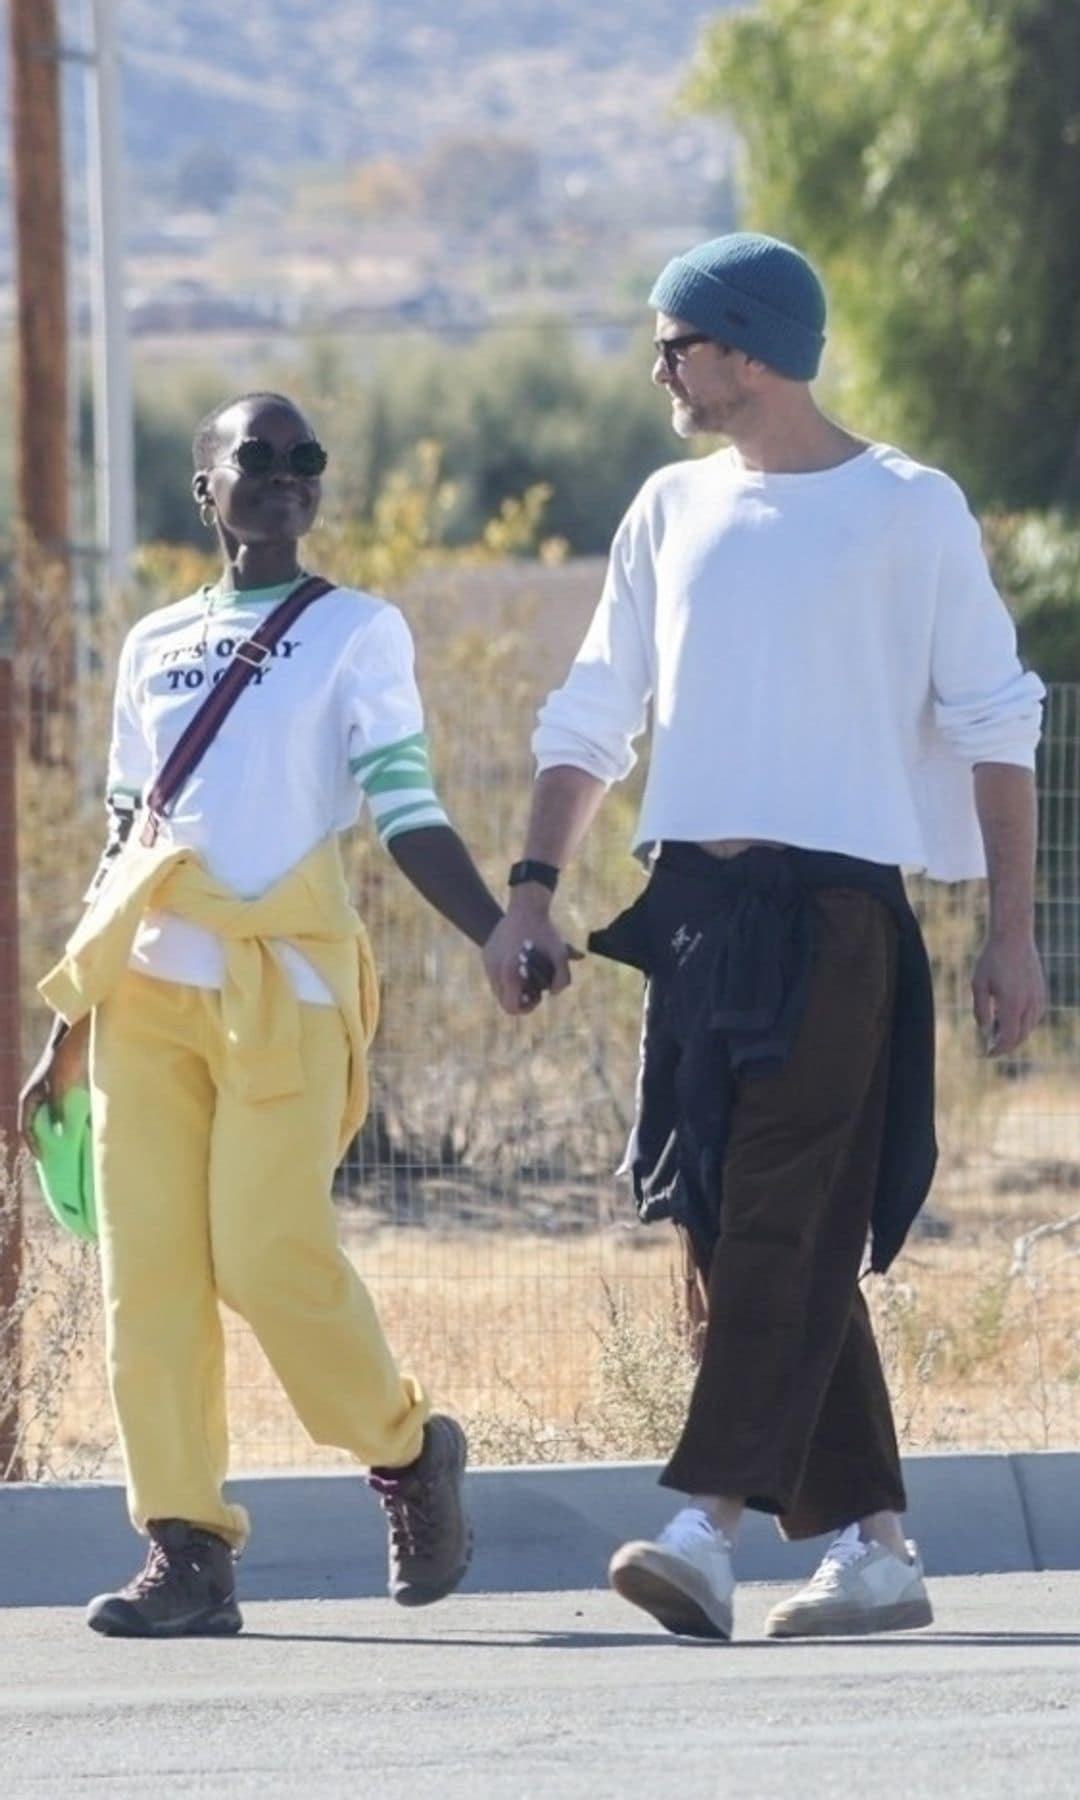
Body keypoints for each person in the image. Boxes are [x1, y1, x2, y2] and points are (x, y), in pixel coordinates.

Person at [483, 233, 1046, 1642]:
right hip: (692, 916)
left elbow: (998, 725)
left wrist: (1012, 937)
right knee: (725, 1231)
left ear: (745, 348)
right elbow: (593, 711)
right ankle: (878, 1548)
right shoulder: (669, 510)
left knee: (789, 1219)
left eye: (673, 341)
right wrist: (535, 882)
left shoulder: (911, 509)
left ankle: (706, 1526)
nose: (658, 367)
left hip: (839, 916)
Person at [19, 390, 535, 1638]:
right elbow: (124, 838)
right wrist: (69, 1024)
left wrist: (496, 927)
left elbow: (405, 809)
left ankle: (409, 1453)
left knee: (264, 1254)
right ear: (208, 489)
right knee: (148, 1284)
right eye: (262, 460)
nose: (291, 477)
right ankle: (185, 1548)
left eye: (308, 461)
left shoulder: (360, 630)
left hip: (286, 987)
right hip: (147, 991)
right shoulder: (150, 644)